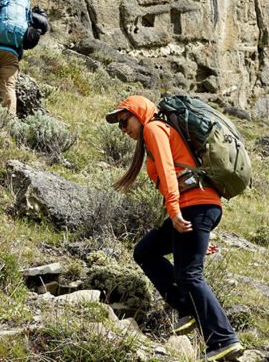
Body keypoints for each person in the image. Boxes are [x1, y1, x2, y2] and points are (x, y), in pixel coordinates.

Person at [106, 95, 244, 362]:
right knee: (146, 252)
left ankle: (224, 339)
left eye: (124, 122)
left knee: (190, 274)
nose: (123, 130)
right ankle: (186, 308)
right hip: (199, 207)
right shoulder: (159, 129)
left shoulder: (153, 128)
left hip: (194, 206)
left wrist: (174, 210)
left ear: (139, 114)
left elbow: (168, 169)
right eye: (119, 126)